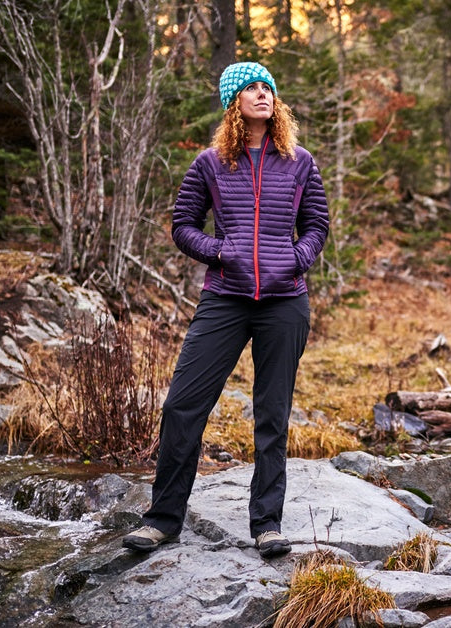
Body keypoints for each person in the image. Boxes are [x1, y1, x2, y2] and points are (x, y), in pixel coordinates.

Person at [123, 62, 329, 558]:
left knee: (272, 415)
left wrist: (294, 259)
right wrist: (221, 250)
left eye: (268, 88)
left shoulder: (299, 161)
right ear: (234, 103)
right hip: (225, 297)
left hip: (284, 303)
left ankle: (267, 525)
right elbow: (183, 225)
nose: (263, 95)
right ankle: (163, 520)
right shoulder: (211, 163)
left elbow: (318, 225)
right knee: (182, 405)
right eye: (252, 89)